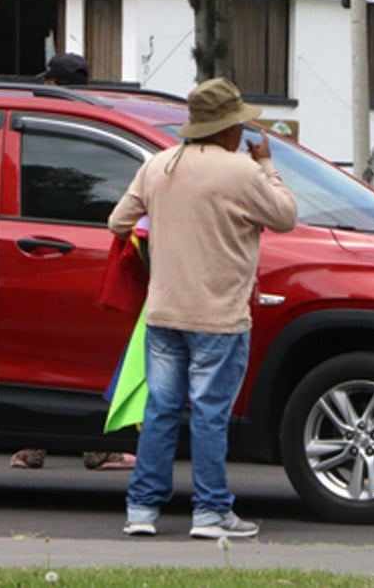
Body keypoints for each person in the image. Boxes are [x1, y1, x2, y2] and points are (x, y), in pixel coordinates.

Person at [108, 77, 298, 539]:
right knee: (211, 414)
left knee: (160, 412)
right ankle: (211, 513)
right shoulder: (242, 172)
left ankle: (142, 510)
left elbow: (118, 221)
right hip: (220, 316)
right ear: (229, 129)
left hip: (164, 312)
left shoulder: (158, 165)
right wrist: (269, 167)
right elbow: (286, 217)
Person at [10, 49, 130, 471]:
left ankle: (33, 445)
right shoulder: (86, 133)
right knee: (86, 354)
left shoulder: (44, 131)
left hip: (38, 258)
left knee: (40, 353)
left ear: (54, 85)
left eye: (48, 81)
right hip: (79, 257)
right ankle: (95, 445)